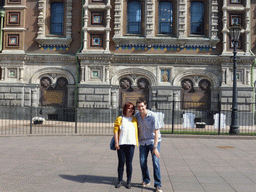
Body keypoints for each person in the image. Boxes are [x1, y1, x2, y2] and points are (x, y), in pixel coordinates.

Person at [135, 98, 163, 192]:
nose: (140, 108)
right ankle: (146, 180)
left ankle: (158, 185)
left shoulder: (152, 116)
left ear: (145, 105)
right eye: (139, 106)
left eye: (142, 106)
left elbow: (156, 132)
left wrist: (155, 147)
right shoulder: (137, 115)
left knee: (155, 162)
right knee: (142, 162)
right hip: (143, 142)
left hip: (153, 141)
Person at [113, 102, 139, 189]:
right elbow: (116, 131)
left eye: (132, 108)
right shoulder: (120, 119)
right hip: (121, 144)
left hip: (131, 144)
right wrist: (116, 143)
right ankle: (120, 180)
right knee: (121, 163)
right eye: (129, 108)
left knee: (129, 163)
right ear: (125, 109)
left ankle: (128, 181)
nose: (131, 110)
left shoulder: (135, 119)